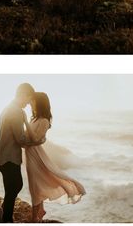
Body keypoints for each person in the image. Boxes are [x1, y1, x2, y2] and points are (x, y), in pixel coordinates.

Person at [24, 92, 86, 222]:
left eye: (33, 101)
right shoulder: (33, 119)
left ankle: (34, 218)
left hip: (36, 156)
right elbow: (30, 139)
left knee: (35, 187)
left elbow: (35, 138)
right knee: (35, 185)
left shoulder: (44, 121)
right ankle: (40, 210)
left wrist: (25, 122)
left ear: (40, 103)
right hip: (30, 155)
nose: (31, 104)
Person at [0, 83, 43, 223]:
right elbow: (21, 139)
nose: (28, 104)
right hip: (9, 158)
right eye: (28, 100)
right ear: (23, 95)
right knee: (15, 187)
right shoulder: (15, 112)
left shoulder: (7, 108)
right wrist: (37, 141)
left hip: (3, 156)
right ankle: (6, 220)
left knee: (12, 188)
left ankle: (5, 216)